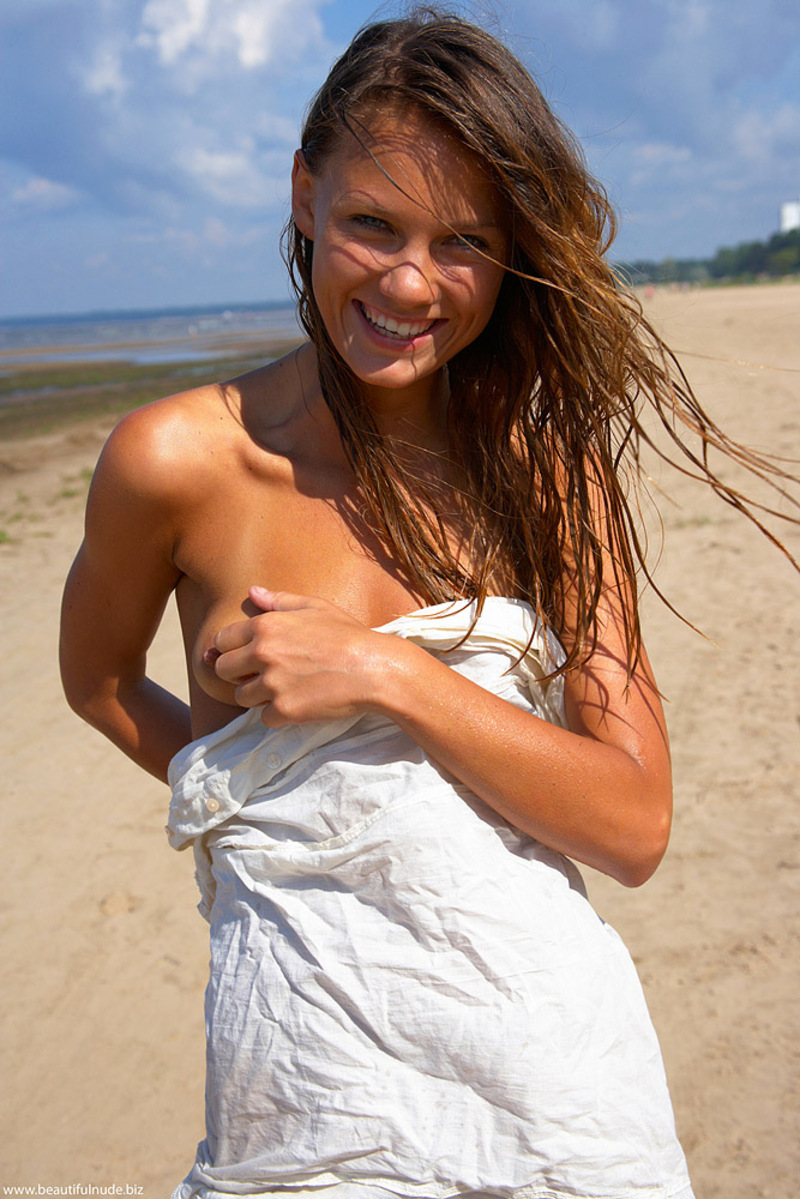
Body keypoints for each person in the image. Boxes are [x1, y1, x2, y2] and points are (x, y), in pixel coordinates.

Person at [59, 9, 796, 1199]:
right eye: (371, 223)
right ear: (304, 195)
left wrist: (385, 674)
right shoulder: (174, 460)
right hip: (304, 1087)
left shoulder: (547, 473)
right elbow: (96, 684)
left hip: (559, 1087)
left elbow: (632, 824)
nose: (409, 281)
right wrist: (253, 802)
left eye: (462, 241)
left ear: (508, 255)